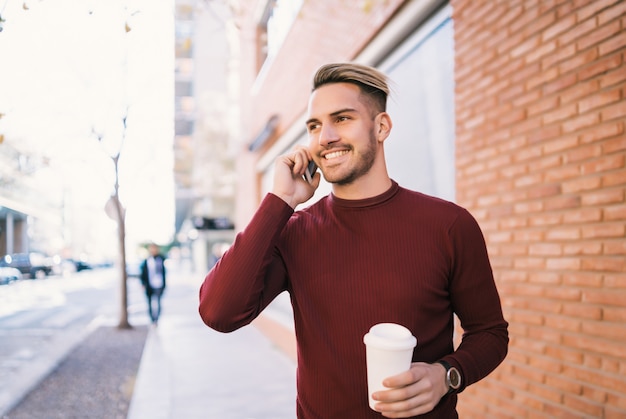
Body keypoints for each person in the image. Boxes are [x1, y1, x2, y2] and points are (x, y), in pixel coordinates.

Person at [199, 63, 508, 418]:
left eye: (342, 118)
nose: (324, 137)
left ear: (381, 127)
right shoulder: (295, 231)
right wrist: (279, 203)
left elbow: (490, 334)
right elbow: (218, 312)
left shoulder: (450, 225)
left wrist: (446, 375)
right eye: (314, 126)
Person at [140, 243, 166, 325]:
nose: (153, 250)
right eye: (152, 248)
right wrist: (143, 284)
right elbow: (143, 273)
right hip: (149, 285)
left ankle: (157, 319)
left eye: (155, 248)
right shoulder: (146, 261)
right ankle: (152, 319)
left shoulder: (161, 259)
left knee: (158, 302)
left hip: (159, 284)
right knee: (149, 303)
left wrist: (164, 284)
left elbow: (164, 272)